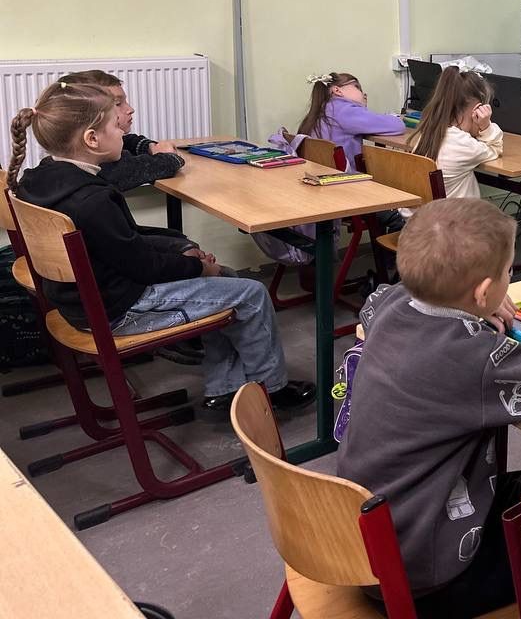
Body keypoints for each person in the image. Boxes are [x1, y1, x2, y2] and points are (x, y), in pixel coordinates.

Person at [7, 81, 314, 416]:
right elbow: (142, 267)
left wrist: (181, 253)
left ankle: (224, 388)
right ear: (92, 139)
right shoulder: (92, 199)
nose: (122, 133)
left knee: (225, 278)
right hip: (118, 311)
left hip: (78, 302)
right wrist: (198, 267)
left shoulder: (37, 180)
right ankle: (273, 389)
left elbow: (125, 244)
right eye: (115, 126)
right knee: (251, 294)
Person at [336, 197, 521, 614]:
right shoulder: (475, 359)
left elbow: (376, 299)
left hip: (370, 540)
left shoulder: (393, 305)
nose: (509, 280)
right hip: (428, 576)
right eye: (508, 273)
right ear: (484, 291)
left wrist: (473, 308)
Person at [56, 70, 185, 192]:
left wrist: (148, 147)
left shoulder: (65, 157)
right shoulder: (104, 170)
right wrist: (170, 157)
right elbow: (137, 168)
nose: (131, 109)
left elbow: (127, 141)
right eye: (118, 103)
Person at [407, 68, 503, 199]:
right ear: (477, 110)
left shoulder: (428, 134)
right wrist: (486, 126)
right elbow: (496, 148)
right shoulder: (464, 145)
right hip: (453, 212)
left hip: (423, 211)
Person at [296, 71, 404, 173]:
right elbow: (397, 125)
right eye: (357, 87)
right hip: (346, 178)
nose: (363, 93)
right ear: (337, 90)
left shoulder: (323, 109)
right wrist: (394, 117)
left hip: (320, 175)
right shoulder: (345, 111)